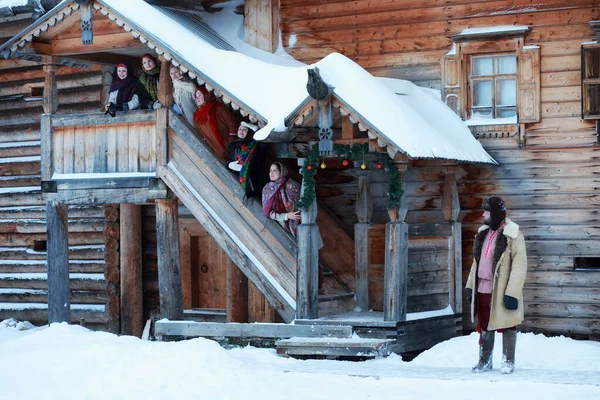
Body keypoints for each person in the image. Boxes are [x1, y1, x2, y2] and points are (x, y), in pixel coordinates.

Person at [465, 197, 527, 375]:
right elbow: (476, 263)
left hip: (501, 289)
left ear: (495, 214)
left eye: (486, 211)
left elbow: (520, 265)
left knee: (508, 324)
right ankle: (484, 361)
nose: (483, 214)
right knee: (484, 325)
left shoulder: (513, 234)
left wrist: (512, 293)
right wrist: (470, 286)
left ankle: (508, 362)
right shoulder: (483, 233)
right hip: (482, 288)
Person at [193, 86, 238, 161]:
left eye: (199, 95)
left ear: (206, 95)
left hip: (232, 148)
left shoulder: (218, 108)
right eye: (196, 96)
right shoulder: (197, 117)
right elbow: (202, 135)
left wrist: (231, 141)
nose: (197, 98)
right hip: (218, 154)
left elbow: (232, 123)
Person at [228, 121, 268, 201]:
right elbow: (229, 160)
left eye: (244, 129)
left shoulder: (254, 143)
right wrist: (230, 165)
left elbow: (262, 135)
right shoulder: (232, 145)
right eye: (240, 129)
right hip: (240, 177)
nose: (241, 131)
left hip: (255, 174)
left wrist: (249, 125)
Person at [262, 162, 301, 236]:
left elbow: (301, 201)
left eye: (274, 170)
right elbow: (268, 212)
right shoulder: (267, 189)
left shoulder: (292, 185)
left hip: (297, 220)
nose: (271, 173)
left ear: (281, 171)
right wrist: (286, 216)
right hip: (280, 223)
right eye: (270, 170)